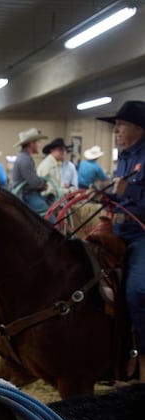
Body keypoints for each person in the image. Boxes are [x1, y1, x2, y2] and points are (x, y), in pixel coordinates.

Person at [97, 100, 145, 381]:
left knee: (137, 292)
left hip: (141, 235)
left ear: (138, 128)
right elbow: (121, 194)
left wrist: (131, 191)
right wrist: (110, 196)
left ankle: (141, 355)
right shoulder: (124, 156)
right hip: (119, 231)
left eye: (120, 125)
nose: (116, 131)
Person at [11, 128, 50, 215]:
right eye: (38, 142)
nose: (40, 145)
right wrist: (43, 184)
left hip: (24, 193)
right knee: (49, 216)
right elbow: (34, 183)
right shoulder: (25, 159)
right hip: (25, 195)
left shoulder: (23, 157)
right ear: (31, 143)